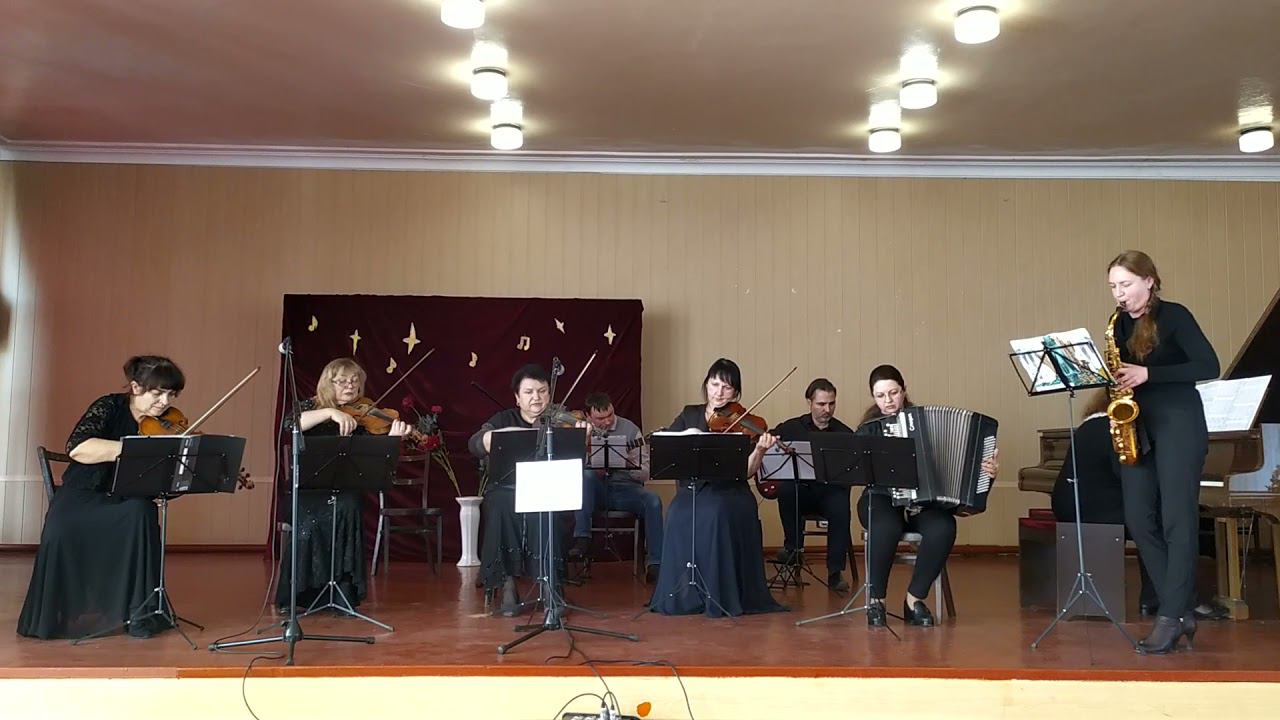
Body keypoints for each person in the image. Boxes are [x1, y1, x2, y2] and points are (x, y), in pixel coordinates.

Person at [18, 356, 181, 639]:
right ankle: (56, 615)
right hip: (83, 494)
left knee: (141, 511)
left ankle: (140, 614)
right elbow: (78, 448)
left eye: (171, 394)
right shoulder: (109, 406)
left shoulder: (167, 423)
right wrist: (135, 449)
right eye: (158, 393)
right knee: (61, 526)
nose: (165, 402)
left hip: (126, 499)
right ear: (136, 387)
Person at [1106, 250, 1219, 653]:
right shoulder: (1118, 323)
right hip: (1139, 427)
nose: (1119, 294)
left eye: (1126, 284)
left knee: (1177, 520)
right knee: (1139, 518)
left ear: (1149, 281)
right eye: (1113, 286)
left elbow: (1209, 366)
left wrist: (1149, 374)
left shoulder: (1176, 316)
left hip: (1179, 423)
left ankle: (1170, 617)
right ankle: (1182, 607)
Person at [856, 364, 1000, 628]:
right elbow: (858, 473)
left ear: (904, 390)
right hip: (881, 498)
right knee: (885, 527)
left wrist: (986, 472)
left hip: (922, 502)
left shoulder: (925, 423)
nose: (888, 401)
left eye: (893, 392)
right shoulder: (869, 430)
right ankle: (876, 601)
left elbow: (959, 464)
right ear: (873, 397)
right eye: (880, 395)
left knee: (944, 527)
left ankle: (914, 600)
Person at [648, 358, 786, 617]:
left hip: (730, 490)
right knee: (676, 512)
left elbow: (747, 472)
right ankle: (683, 594)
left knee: (716, 513)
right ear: (706, 385)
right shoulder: (689, 414)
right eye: (714, 384)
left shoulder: (745, 422)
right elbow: (670, 446)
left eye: (727, 387)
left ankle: (719, 593)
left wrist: (759, 450)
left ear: (736, 392)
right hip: (695, 487)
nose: (719, 392)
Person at [277, 358, 409, 611]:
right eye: (342, 381)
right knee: (311, 518)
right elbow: (291, 424)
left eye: (354, 381)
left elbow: (375, 460)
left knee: (349, 503)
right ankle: (301, 595)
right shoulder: (310, 407)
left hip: (345, 490)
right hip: (307, 492)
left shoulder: (363, 417)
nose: (350, 385)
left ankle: (341, 594)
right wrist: (330, 412)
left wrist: (392, 440)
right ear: (328, 383)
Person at [469, 364, 588, 616]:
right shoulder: (503, 419)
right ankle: (508, 584)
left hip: (547, 488)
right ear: (517, 397)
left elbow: (576, 459)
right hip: (507, 488)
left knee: (550, 506)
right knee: (500, 504)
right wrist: (490, 438)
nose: (536, 397)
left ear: (549, 394)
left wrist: (582, 438)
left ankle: (550, 585)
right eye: (529, 392)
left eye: (542, 391)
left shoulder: (560, 420)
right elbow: (475, 443)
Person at [768, 378, 855, 592]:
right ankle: (794, 550)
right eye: (821, 404)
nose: (827, 409)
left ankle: (835, 571)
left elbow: (853, 471)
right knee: (787, 491)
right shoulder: (792, 427)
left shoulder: (844, 433)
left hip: (830, 493)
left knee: (841, 505)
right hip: (803, 491)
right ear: (809, 402)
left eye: (831, 404)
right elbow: (770, 438)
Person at [571, 391, 664, 583]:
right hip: (593, 492)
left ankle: (656, 564)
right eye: (600, 418)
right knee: (586, 476)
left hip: (625, 489)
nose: (607, 421)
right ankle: (582, 539)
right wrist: (586, 452)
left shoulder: (631, 430)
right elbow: (568, 469)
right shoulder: (578, 430)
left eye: (610, 415)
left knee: (653, 500)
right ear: (588, 416)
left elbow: (646, 473)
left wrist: (628, 464)